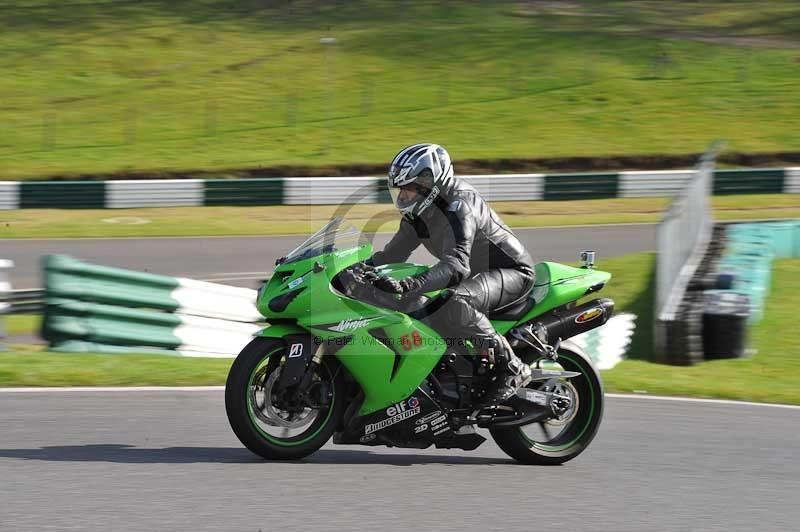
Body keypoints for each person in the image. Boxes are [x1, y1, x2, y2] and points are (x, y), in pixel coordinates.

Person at [367, 143, 535, 402]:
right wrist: (353, 271)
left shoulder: (460, 205)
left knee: (455, 301)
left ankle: (512, 367)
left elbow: (456, 266)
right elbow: (391, 256)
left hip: (510, 271)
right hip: (474, 275)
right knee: (416, 303)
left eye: (410, 188)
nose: (403, 196)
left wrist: (409, 284)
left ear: (430, 183)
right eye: (401, 189)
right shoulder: (419, 213)